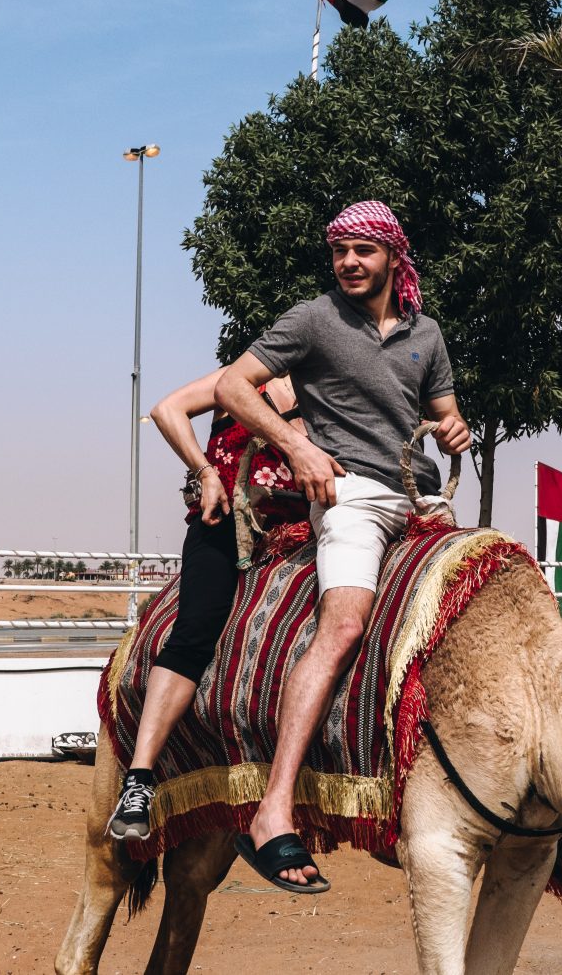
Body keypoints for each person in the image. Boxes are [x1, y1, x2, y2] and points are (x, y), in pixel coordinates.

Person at [216, 199, 470, 894]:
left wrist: (455, 431)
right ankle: (272, 810)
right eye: (340, 252)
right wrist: (296, 444)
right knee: (346, 625)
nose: (349, 263)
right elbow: (233, 384)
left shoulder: (428, 334)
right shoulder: (314, 318)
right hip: (350, 496)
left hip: (420, 500)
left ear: (394, 256)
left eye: (363, 251)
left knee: (484, 604)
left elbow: (445, 415)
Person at [105, 369, 306, 841]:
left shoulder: (333, 393)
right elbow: (165, 409)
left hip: (300, 535)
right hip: (224, 525)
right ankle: (140, 779)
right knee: (195, 631)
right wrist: (206, 472)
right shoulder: (241, 379)